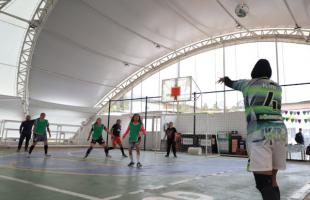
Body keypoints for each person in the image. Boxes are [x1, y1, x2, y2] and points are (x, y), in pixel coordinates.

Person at [218, 59, 287, 200]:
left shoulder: (248, 84)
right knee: (272, 180)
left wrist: (224, 79)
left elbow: (231, 83)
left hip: (259, 134)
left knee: (263, 183)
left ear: (254, 71)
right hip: (280, 132)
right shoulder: (278, 87)